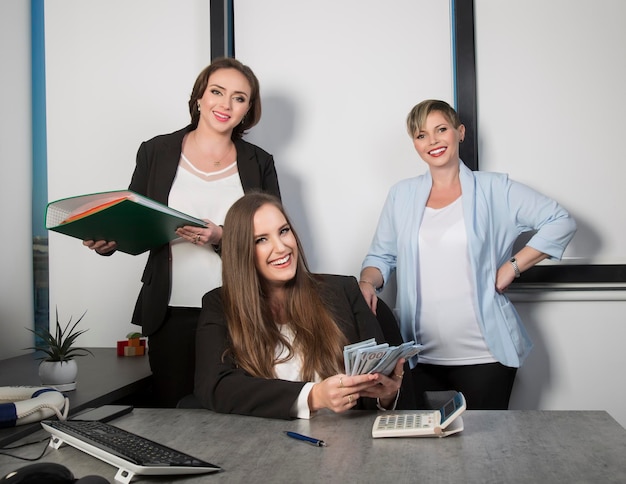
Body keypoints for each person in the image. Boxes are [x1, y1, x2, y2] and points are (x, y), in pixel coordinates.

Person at [83, 58, 281, 407]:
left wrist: (222, 237)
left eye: (239, 98)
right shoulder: (156, 151)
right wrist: (109, 242)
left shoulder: (259, 162)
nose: (225, 104)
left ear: (248, 109)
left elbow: (273, 238)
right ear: (199, 98)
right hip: (170, 309)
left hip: (240, 307)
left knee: (237, 410)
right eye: (217, 92)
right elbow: (136, 220)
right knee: (172, 409)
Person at [358, 99, 576, 410]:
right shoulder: (401, 195)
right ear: (415, 144)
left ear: (460, 132)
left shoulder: (495, 189)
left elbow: (560, 221)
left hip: (486, 356)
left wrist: (513, 266)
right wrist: (367, 282)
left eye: (441, 129)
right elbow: (380, 257)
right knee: (420, 454)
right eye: (421, 135)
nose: (432, 141)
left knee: (485, 455)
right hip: (418, 358)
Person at [194, 192, 407, 419]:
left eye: (283, 231)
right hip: (264, 446)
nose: (281, 247)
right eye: (261, 239)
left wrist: (385, 396)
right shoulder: (219, 305)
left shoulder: (344, 290)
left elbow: (373, 397)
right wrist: (313, 396)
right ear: (241, 252)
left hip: (346, 445)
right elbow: (214, 387)